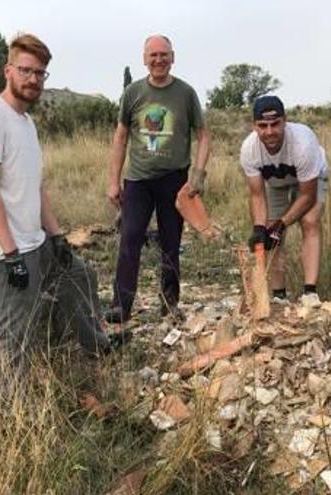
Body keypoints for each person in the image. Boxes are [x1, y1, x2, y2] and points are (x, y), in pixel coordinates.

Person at [0, 34, 122, 398]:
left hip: (36, 240)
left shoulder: (27, 124)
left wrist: (57, 237)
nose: (33, 79)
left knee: (80, 275)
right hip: (7, 248)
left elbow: (36, 188)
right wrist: (10, 256)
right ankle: (7, 411)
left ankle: (94, 344)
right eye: (26, 70)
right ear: (8, 70)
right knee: (11, 332)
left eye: (40, 73)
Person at [105, 34, 211, 323]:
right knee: (130, 239)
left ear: (173, 57)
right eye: (153, 55)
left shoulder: (185, 93)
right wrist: (114, 181)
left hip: (174, 180)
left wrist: (198, 176)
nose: (159, 60)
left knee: (171, 242)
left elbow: (203, 135)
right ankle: (120, 305)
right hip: (138, 181)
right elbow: (121, 136)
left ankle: (169, 304)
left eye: (164, 54)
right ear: (144, 59)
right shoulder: (133, 93)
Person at [240, 95, 330, 306]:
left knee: (309, 222)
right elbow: (257, 194)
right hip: (276, 181)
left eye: (275, 124)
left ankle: (310, 292)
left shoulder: (303, 143)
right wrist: (260, 228)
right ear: (254, 126)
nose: (269, 132)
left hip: (310, 179)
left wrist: (283, 223)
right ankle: (279, 295)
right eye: (263, 126)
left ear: (285, 121)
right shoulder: (249, 149)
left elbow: (307, 196)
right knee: (270, 233)